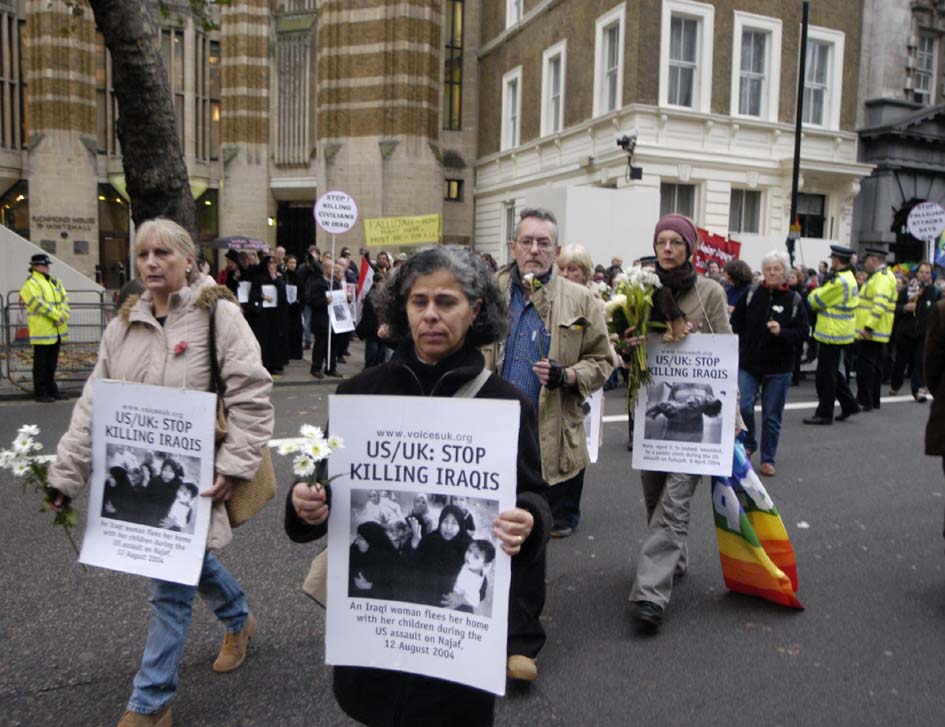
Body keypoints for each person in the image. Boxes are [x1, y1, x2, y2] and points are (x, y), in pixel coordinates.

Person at [285, 247, 551, 721]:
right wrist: (303, 501)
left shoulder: (506, 404)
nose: (430, 314)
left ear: (476, 310)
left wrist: (529, 519)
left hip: (455, 662)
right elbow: (313, 479)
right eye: (418, 301)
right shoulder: (357, 394)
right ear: (401, 309)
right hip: (376, 648)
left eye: (446, 302)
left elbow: (532, 494)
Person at [46, 217, 274, 727]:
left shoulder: (220, 317)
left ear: (189, 261)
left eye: (163, 254)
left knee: (167, 587)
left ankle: (150, 705)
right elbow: (92, 409)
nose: (151, 262)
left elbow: (253, 398)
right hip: (138, 482)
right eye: (143, 253)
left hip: (196, 480)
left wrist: (235, 467)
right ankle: (240, 619)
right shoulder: (121, 324)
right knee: (187, 565)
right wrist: (66, 475)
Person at [622, 213, 743, 631]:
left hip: (696, 420)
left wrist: (735, 416)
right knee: (656, 497)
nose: (668, 249)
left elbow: (725, 354)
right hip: (653, 411)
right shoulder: (639, 289)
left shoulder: (708, 290)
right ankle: (675, 558)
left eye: (676, 242)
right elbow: (626, 351)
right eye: (662, 242)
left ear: (689, 248)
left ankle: (649, 595)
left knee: (674, 504)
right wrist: (629, 344)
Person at [485, 209, 612, 547]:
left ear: (556, 252)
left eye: (544, 243)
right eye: (526, 241)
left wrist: (567, 375)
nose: (534, 250)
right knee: (491, 526)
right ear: (513, 247)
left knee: (536, 530)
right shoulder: (488, 293)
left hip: (547, 427)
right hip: (490, 425)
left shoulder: (582, 299)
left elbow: (603, 361)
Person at [731, 250, 809, 476]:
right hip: (750, 363)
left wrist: (782, 332)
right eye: (768, 269)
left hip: (779, 366)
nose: (772, 273)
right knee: (743, 405)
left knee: (771, 415)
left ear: (785, 272)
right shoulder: (751, 294)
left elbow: (803, 332)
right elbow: (736, 323)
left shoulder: (794, 300)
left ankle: (768, 458)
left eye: (776, 269)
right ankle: (750, 443)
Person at [803, 246, 860, 425]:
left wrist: (814, 292)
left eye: (833, 258)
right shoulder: (848, 277)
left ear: (836, 260)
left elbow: (815, 300)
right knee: (832, 372)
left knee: (825, 375)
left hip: (832, 331)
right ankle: (849, 404)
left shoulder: (840, 281)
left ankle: (825, 412)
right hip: (839, 330)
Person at [19, 253, 70, 402]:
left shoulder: (54, 281)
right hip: (42, 331)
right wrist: (57, 316)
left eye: (47, 265)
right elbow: (38, 303)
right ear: (34, 266)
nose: (47, 268)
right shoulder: (31, 283)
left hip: (56, 330)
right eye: (44, 265)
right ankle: (41, 392)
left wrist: (63, 316)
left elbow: (65, 300)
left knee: (51, 364)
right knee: (41, 364)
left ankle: (51, 390)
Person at [854, 248, 897, 411]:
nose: (865, 264)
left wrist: (868, 327)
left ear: (873, 260)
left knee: (866, 367)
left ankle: (866, 400)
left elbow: (879, 305)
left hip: (872, 330)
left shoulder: (882, 278)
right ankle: (872, 400)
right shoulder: (881, 276)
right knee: (873, 366)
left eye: (866, 260)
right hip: (876, 329)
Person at [892, 262, 940, 401]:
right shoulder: (907, 290)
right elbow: (895, 308)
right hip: (905, 332)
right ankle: (895, 384)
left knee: (920, 362)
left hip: (923, 333)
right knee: (900, 361)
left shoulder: (934, 292)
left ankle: (918, 389)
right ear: (916, 273)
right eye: (922, 272)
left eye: (927, 273)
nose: (924, 275)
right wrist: (904, 308)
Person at [249, 254, 289, 375]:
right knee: (264, 339)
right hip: (263, 314)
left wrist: (275, 278)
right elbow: (254, 293)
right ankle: (264, 362)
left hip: (276, 314)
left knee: (275, 339)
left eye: (273, 263)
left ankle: (275, 364)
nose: (272, 266)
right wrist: (262, 296)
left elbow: (283, 294)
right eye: (269, 264)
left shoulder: (279, 277)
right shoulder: (259, 277)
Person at [310, 259, 339, 379]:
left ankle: (331, 367)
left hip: (334, 319)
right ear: (325, 269)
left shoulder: (335, 283)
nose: (334, 270)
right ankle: (316, 367)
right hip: (322, 319)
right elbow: (313, 301)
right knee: (321, 344)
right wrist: (325, 301)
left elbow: (339, 297)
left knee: (333, 345)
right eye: (332, 268)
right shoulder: (317, 283)